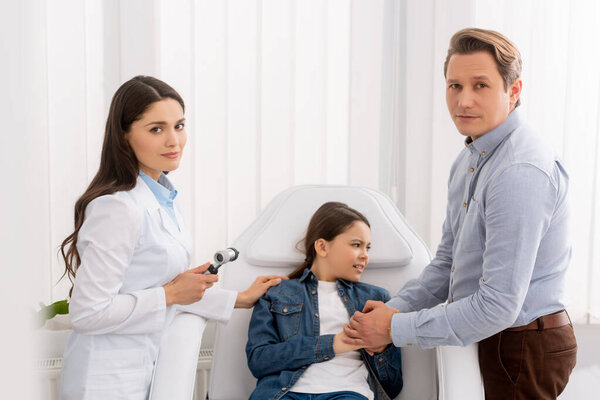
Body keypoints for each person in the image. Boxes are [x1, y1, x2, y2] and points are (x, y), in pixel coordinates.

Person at [344, 28, 577, 399]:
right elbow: (447, 264)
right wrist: (391, 310)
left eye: (480, 85)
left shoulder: (518, 171)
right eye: (454, 86)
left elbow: (498, 305)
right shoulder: (471, 158)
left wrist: (394, 328)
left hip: (521, 346)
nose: (463, 101)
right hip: (491, 335)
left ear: (513, 91)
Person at [58, 76, 286, 400]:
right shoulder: (115, 208)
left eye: (179, 126)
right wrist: (169, 293)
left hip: (144, 367)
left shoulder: (165, 197)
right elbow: (87, 313)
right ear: (124, 136)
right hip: (104, 380)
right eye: (156, 129)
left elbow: (163, 287)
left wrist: (239, 298)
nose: (173, 141)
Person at [246, 202, 403, 400]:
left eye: (368, 248)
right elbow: (259, 361)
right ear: (322, 247)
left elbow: (393, 386)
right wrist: (333, 344)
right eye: (356, 245)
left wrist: (382, 349)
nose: (365, 255)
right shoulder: (275, 293)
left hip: (348, 393)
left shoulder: (377, 300)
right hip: (283, 394)